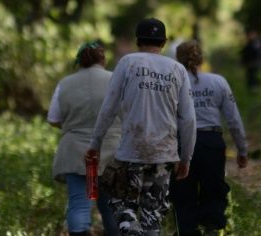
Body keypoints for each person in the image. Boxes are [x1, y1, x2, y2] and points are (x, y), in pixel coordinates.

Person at [86, 18, 196, 236]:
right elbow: (189, 119)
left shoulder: (128, 63)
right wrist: (186, 158)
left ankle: (130, 229)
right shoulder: (177, 69)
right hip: (164, 155)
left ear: (138, 41)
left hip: (130, 153)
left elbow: (109, 107)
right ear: (164, 42)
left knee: (121, 205)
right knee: (152, 216)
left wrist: (95, 143)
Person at [170, 40, 248, 236]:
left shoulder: (173, 83)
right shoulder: (218, 82)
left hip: (182, 143)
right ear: (201, 59)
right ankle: (211, 229)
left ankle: (187, 231)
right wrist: (242, 150)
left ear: (178, 59)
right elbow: (234, 120)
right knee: (213, 190)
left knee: (183, 195)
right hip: (211, 144)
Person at [48, 40, 122, 236]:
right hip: (110, 153)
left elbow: (53, 118)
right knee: (110, 206)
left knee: (79, 204)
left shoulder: (65, 83)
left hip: (76, 154)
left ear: (79, 61)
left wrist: (74, 125)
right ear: (103, 59)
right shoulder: (116, 79)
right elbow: (129, 114)